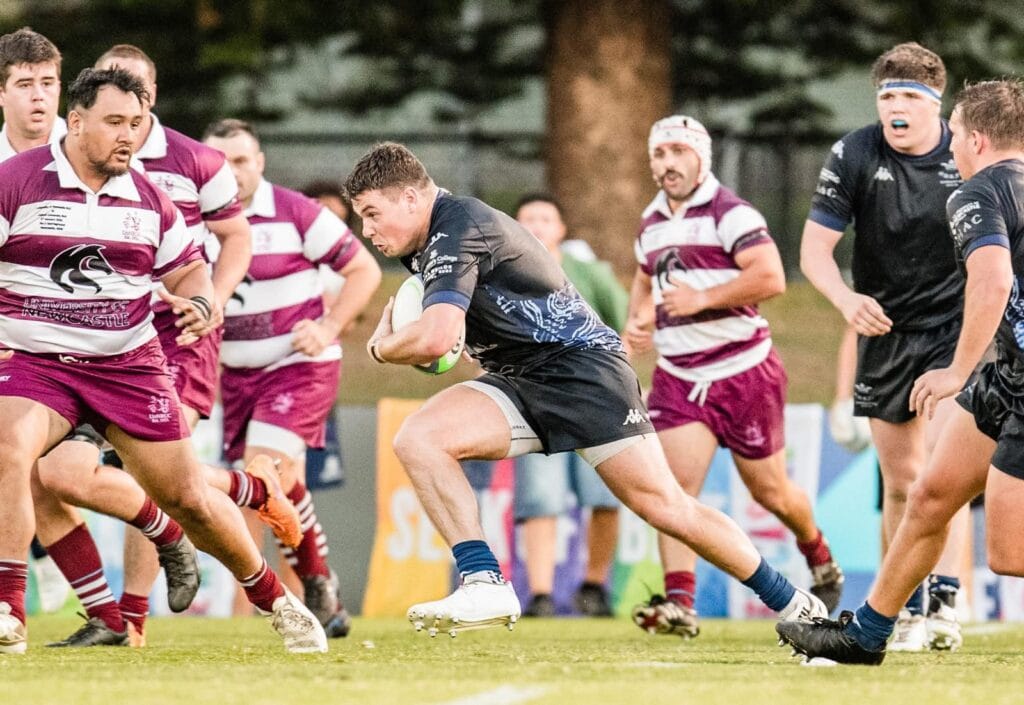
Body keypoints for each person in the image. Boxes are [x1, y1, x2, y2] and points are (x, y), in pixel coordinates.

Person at [345, 141, 827, 638]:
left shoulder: (457, 224)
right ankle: (483, 580)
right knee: (419, 438)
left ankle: (796, 604)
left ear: (409, 198)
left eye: (372, 214)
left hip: (584, 374)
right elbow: (449, 343)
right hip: (521, 378)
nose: (368, 230)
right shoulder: (427, 239)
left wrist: (381, 348)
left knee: (665, 505)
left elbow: (437, 338)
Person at [0, 68, 326, 655]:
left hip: (127, 366)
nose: (130, 136)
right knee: (12, 448)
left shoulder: (150, 196)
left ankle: (277, 598)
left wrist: (203, 299)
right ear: (75, 123)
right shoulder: (15, 182)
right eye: (115, 123)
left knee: (188, 498)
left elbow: (189, 267)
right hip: (39, 362)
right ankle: (12, 608)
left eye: (137, 123)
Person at [778, 77, 1024, 665]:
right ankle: (865, 635)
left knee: (1010, 554)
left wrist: (957, 370)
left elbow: (993, 282)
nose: (954, 147)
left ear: (980, 140)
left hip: (1002, 372)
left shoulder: (977, 191)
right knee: (931, 496)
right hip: (1009, 369)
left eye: (959, 135)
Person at [623, 115, 843, 638]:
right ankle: (680, 603)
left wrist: (701, 298)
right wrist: (639, 320)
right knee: (673, 492)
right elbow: (645, 276)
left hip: (743, 373)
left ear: (702, 157)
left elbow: (770, 276)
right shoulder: (651, 220)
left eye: (678, 151)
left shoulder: (730, 212)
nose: (667, 164)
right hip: (679, 376)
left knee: (770, 492)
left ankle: (818, 553)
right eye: (659, 154)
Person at [798, 42, 969, 651]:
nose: (894, 108)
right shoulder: (853, 151)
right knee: (902, 483)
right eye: (886, 96)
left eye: (907, 97)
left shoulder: (966, 149)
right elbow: (814, 251)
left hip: (957, 330)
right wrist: (846, 301)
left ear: (935, 105)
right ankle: (908, 608)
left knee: (942, 477)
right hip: (886, 332)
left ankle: (948, 598)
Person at [203, 118, 381, 637]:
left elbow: (364, 270)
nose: (230, 172)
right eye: (218, 161)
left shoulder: (295, 211)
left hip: (297, 366)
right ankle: (319, 582)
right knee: (276, 484)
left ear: (259, 163)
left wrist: (328, 324)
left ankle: (297, 592)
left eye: (240, 160)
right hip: (234, 378)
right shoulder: (191, 217)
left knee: (264, 471)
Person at [513, 193, 628, 618]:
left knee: (605, 494)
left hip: (597, 400)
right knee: (540, 499)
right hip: (533, 400)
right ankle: (540, 595)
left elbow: (624, 326)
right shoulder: (503, 275)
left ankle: (594, 585)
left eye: (546, 217)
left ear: (561, 229)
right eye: (528, 219)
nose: (538, 225)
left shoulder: (590, 274)